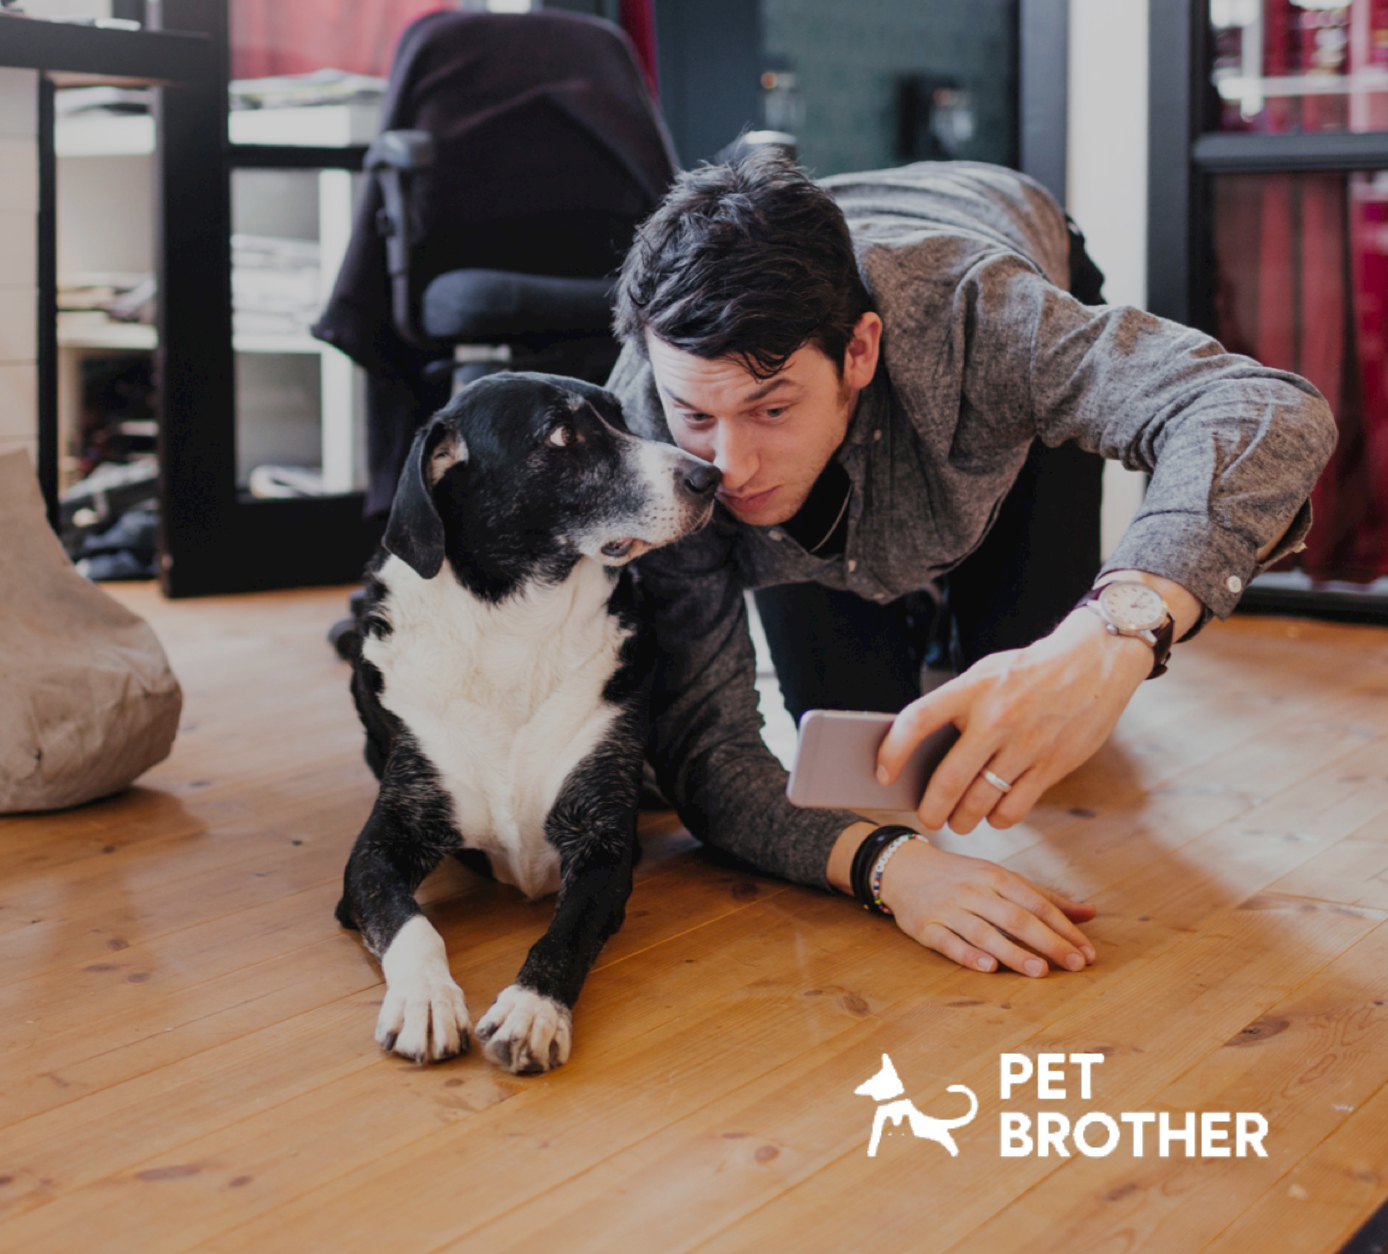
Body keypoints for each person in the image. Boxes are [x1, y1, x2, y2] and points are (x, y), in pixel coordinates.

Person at [605, 152, 1336, 980]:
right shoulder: (645, 428)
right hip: (848, 292)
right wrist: (893, 868)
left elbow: (1263, 407)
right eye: (697, 415)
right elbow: (711, 751)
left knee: (1021, 657)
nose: (730, 466)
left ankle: (981, 584)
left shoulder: (980, 315)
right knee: (860, 751)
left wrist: (1115, 631)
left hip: (990, 239)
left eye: (772, 409)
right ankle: (904, 597)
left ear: (858, 350)